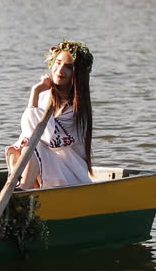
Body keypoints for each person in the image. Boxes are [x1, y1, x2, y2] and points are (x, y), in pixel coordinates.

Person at [5, 40, 94, 189]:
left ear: (77, 73)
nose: (60, 70)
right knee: (17, 149)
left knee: (34, 145)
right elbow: (28, 131)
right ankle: (20, 188)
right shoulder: (45, 96)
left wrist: (34, 94)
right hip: (48, 167)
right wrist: (36, 92)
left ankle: (23, 192)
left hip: (71, 172)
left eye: (68, 67)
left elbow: (46, 138)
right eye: (58, 63)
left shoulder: (77, 108)